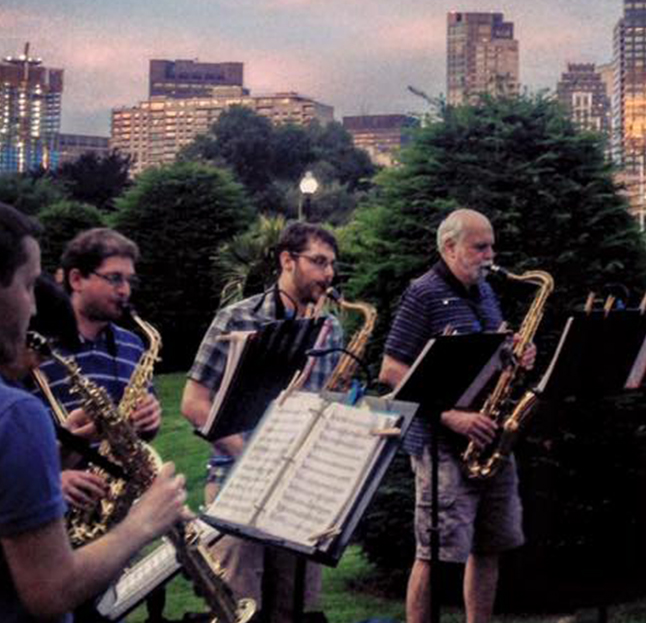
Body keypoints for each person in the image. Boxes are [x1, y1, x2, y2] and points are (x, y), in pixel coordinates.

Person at [0, 196, 187, 622]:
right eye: (28, 285)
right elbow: (52, 591)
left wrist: (60, 450)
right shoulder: (10, 414)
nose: (33, 306)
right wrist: (145, 520)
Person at [181, 221, 343, 620]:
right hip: (238, 480)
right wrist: (254, 457)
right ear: (287, 260)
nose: (328, 274)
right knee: (240, 607)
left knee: (295, 607)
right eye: (318, 262)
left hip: (300, 490)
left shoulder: (332, 328)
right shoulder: (236, 319)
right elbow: (194, 403)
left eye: (332, 264)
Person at [378, 208, 526, 623]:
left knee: (489, 547)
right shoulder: (423, 293)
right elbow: (391, 369)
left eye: (491, 245)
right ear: (449, 247)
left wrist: (515, 356)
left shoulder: (484, 291)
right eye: (480, 247)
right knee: (432, 554)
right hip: (441, 443)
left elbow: (489, 359)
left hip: (489, 436)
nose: (490, 255)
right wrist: (447, 414)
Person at [35, 228, 162, 514]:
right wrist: (50, 480)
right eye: (114, 278)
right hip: (55, 508)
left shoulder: (132, 345)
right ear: (76, 279)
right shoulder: (33, 349)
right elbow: (10, 445)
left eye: (130, 280)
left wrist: (150, 421)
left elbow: (141, 436)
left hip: (117, 507)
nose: (125, 290)